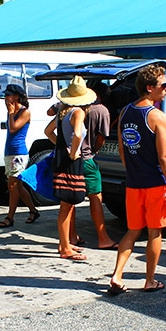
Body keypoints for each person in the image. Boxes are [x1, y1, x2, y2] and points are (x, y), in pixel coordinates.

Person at [108, 64, 166, 294]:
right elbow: (165, 156)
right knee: (155, 232)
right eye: (163, 85)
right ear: (150, 88)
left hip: (134, 183)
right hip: (155, 183)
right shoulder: (157, 116)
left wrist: (133, 170)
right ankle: (149, 280)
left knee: (132, 230)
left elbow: (122, 148)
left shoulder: (125, 112)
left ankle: (117, 275)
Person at [45, 75, 96, 261]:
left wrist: (61, 146)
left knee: (66, 204)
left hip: (61, 159)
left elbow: (48, 132)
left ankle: (64, 243)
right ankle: (65, 248)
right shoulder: (78, 112)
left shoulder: (63, 112)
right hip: (70, 162)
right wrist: (73, 152)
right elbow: (76, 135)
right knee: (67, 204)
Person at [80, 82, 118, 250]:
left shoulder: (71, 109)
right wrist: (94, 149)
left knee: (70, 199)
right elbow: (101, 137)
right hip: (87, 158)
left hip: (70, 158)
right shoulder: (101, 110)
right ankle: (103, 238)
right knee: (96, 197)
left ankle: (70, 237)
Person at [0, 84, 38, 228]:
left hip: (19, 154)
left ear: (17, 97)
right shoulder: (12, 111)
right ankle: (33, 210)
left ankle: (10, 217)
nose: (6, 98)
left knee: (12, 185)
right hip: (10, 152)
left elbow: (13, 129)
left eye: (9, 95)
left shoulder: (24, 112)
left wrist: (11, 113)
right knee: (18, 186)